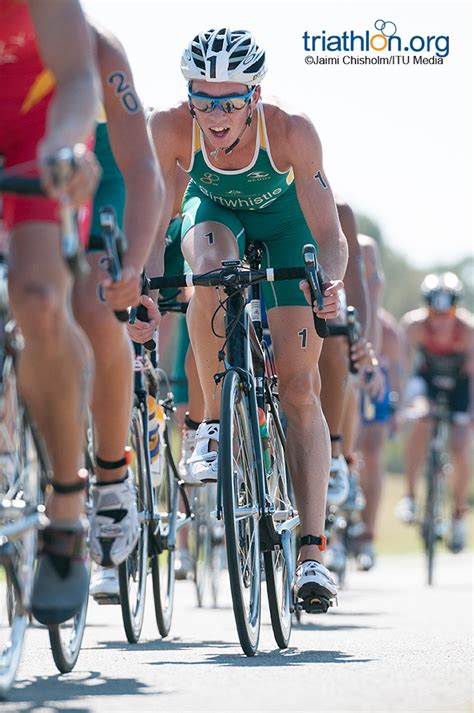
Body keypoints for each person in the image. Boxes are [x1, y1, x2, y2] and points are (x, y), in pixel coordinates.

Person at [137, 28, 348, 604]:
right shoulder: (169, 128)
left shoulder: (291, 132)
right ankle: (211, 426)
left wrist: (329, 282)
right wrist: (147, 288)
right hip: (214, 218)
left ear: (254, 95)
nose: (216, 113)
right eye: (202, 99)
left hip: (286, 230)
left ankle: (311, 550)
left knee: (301, 384)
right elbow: (155, 226)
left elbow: (329, 235)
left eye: (230, 100)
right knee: (208, 267)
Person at [0, 0, 102, 625]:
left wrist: (65, 146)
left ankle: (67, 506)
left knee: (38, 297)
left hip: (39, 123)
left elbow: (77, 75)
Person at [71, 19, 164, 601]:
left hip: (104, 174)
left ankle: (111, 478)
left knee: (92, 295)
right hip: (24, 165)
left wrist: (130, 267)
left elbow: (144, 172)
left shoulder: (100, 48)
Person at [396, 272, 473, 552]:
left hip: (460, 385)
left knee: (460, 446)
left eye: (448, 311)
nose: (440, 319)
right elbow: (403, 369)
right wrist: (401, 402)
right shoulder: (413, 326)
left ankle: (459, 515)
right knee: (420, 420)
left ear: (457, 307)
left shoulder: (468, 330)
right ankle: (410, 496)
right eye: (434, 311)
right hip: (426, 381)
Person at [356, 307, 403, 570]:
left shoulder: (386, 328)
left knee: (372, 452)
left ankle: (368, 537)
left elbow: (396, 373)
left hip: (375, 388)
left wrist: (395, 410)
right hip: (345, 381)